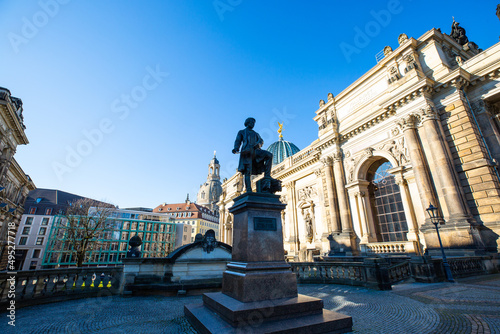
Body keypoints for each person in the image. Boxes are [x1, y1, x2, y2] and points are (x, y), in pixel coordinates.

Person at [232, 117, 273, 193]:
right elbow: (238, 141)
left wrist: (259, 144)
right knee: (248, 171)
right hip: (246, 152)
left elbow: (261, 141)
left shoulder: (256, 134)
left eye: (254, 123)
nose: (253, 124)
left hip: (256, 151)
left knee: (269, 155)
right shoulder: (242, 132)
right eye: (251, 122)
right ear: (247, 123)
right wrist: (236, 148)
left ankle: (267, 176)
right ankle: (248, 189)